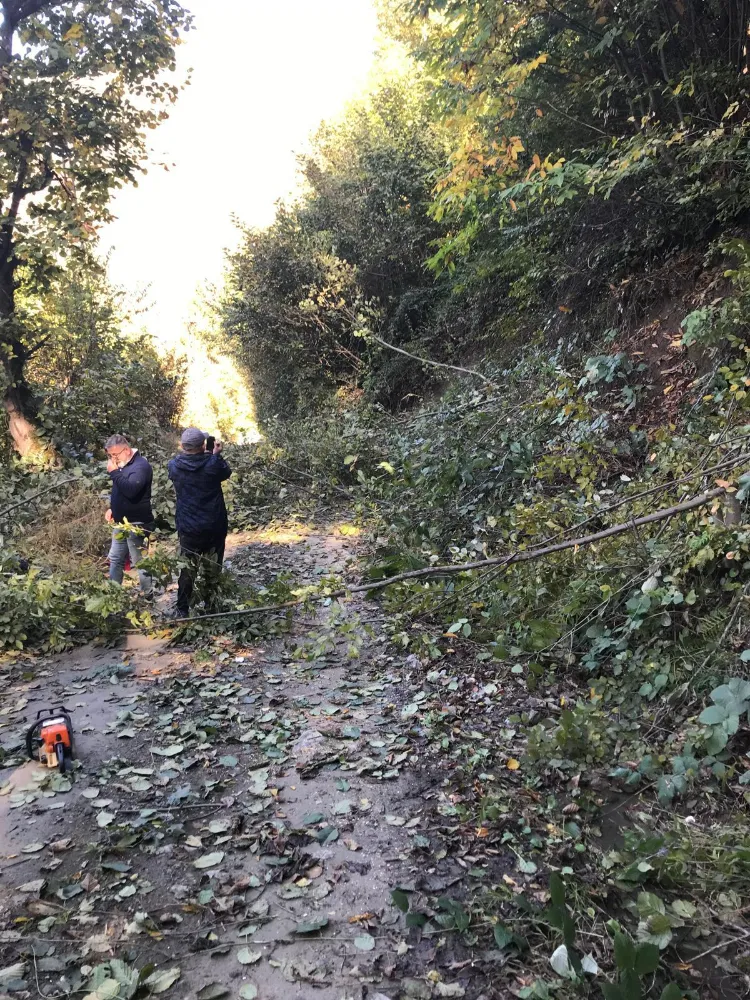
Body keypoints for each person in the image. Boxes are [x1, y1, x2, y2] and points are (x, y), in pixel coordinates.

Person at [167, 427, 232, 617]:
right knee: (213, 567)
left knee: (187, 569)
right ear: (203, 445)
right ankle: (210, 606)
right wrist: (216, 455)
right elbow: (226, 472)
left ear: (182, 446)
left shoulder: (174, 466)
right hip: (214, 525)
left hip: (188, 527)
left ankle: (182, 609)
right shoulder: (212, 464)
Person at [105, 434, 154, 597]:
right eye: (110, 456)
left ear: (126, 450)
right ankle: (114, 595)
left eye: (115, 455)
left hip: (137, 523)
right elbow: (120, 489)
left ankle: (148, 595)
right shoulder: (123, 465)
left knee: (140, 561)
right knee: (116, 558)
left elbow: (132, 490)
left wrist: (113, 473)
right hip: (121, 523)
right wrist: (113, 508)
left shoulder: (141, 466)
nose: (113, 459)